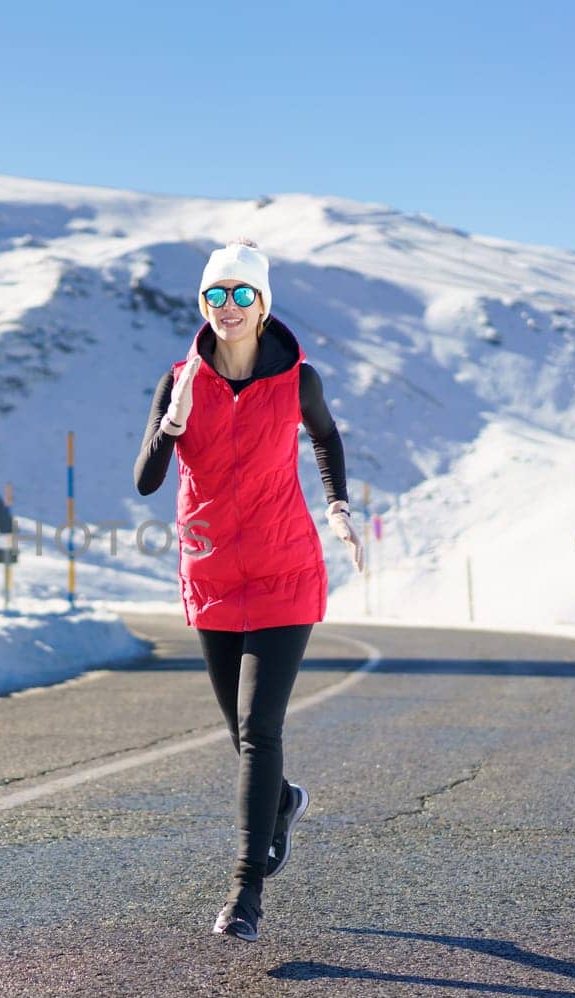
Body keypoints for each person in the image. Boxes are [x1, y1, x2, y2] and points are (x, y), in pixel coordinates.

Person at [132, 238, 363, 942]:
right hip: (211, 574)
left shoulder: (298, 380)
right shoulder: (178, 379)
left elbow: (325, 439)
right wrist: (171, 429)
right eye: (216, 295)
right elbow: (145, 479)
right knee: (241, 733)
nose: (228, 307)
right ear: (203, 303)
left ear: (262, 304)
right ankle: (284, 800)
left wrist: (338, 507)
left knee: (261, 728)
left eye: (241, 294)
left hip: (283, 571)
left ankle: (244, 893)